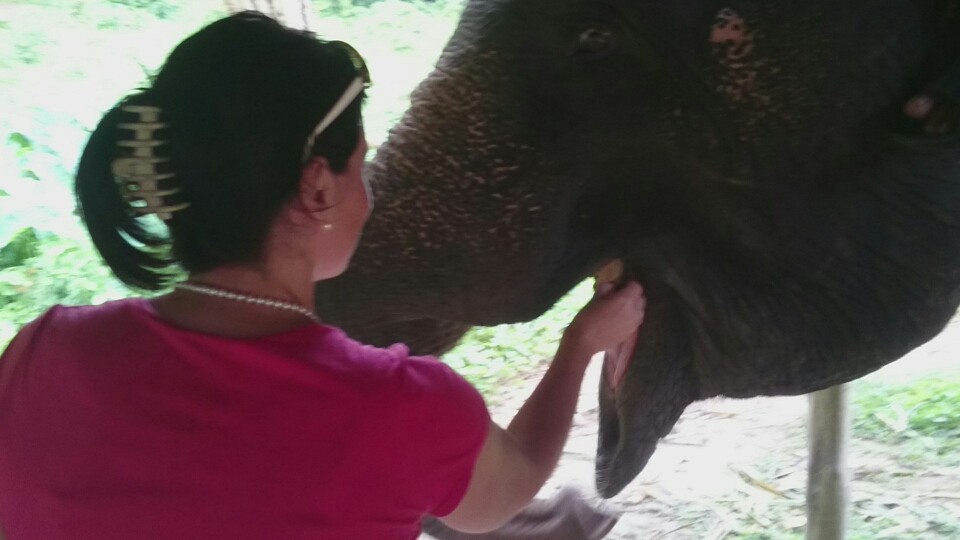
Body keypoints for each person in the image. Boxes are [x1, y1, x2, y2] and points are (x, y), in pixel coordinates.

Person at [0, 12, 646, 540]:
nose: (368, 192)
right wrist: (580, 346)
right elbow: (506, 492)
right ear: (317, 188)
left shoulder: (43, 349)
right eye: (361, 166)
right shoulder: (403, 407)